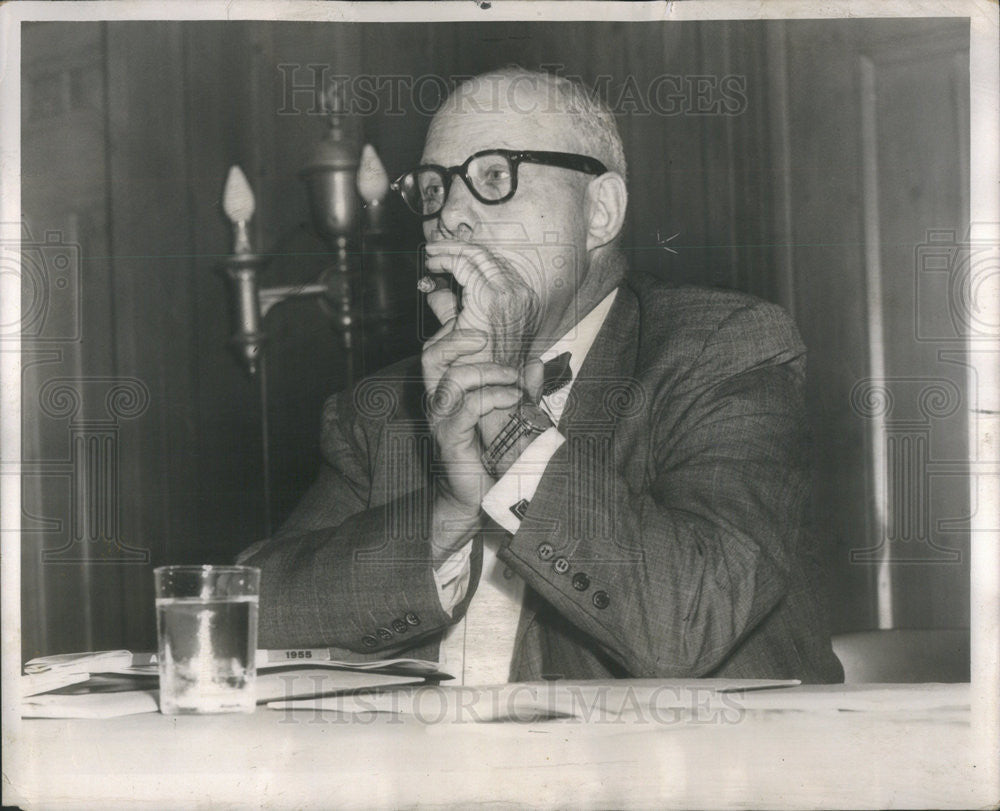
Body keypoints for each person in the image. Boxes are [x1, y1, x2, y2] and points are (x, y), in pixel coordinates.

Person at [238, 68, 844, 685]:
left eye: (495, 176)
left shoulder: (722, 348)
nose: (450, 218)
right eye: (433, 188)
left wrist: (505, 423)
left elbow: (687, 620)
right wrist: (449, 515)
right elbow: (248, 615)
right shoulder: (382, 408)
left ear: (600, 212)